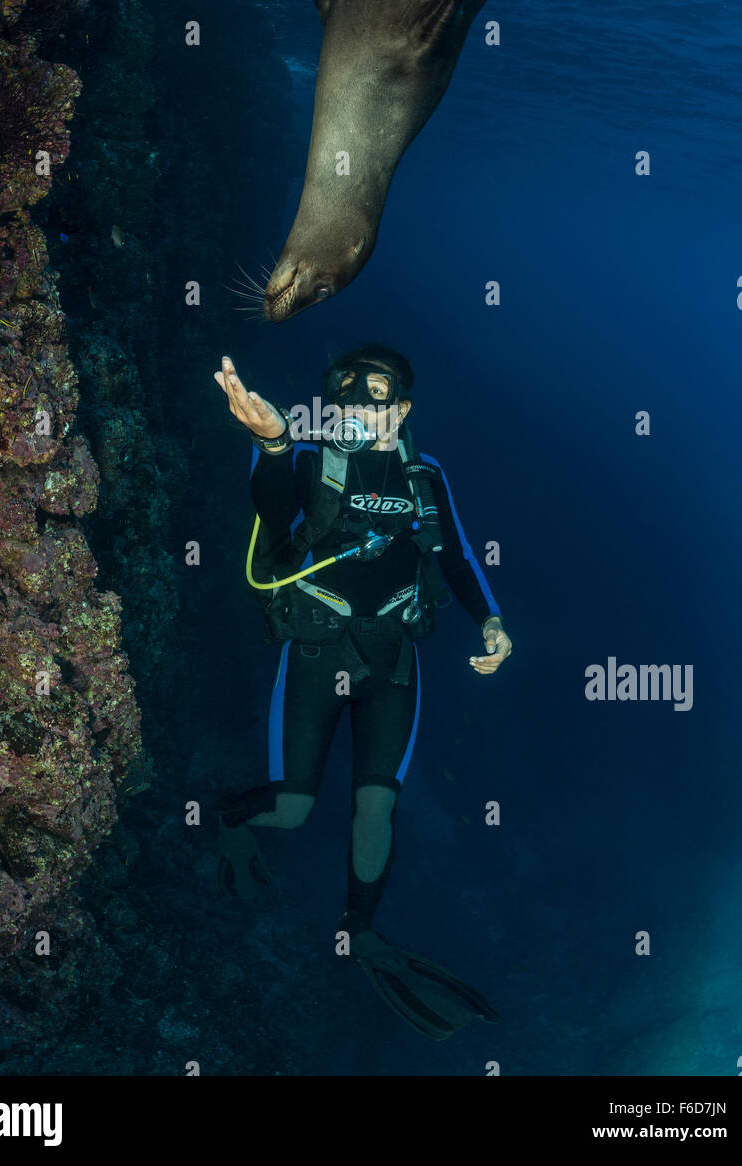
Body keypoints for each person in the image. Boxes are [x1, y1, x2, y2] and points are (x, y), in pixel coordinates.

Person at [212, 345, 513, 1040]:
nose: (355, 407)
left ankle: (361, 929)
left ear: (401, 409)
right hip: (318, 653)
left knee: (376, 810)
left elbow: (456, 555)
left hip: (393, 663)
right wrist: (273, 442)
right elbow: (272, 503)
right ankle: (230, 822)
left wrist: (491, 623)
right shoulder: (312, 458)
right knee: (292, 810)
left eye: (373, 395)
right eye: (344, 395)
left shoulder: (424, 475)